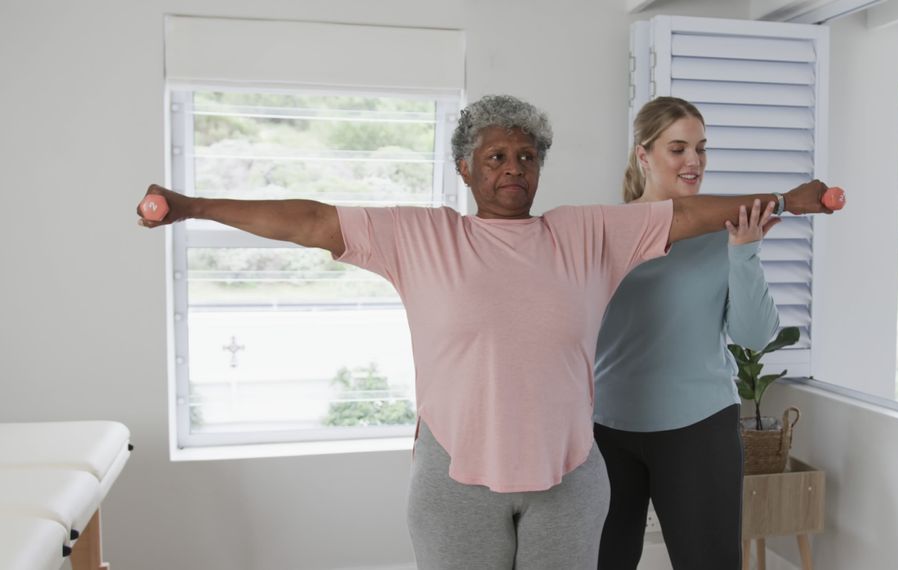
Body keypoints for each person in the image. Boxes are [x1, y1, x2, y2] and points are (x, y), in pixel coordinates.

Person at [138, 94, 831, 569]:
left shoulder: (585, 232)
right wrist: (194, 206)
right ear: (465, 168)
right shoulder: (419, 235)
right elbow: (315, 220)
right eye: (495, 157)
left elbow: (686, 218)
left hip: (571, 473)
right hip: (456, 474)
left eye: (526, 158)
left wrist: (786, 201)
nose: (512, 170)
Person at [593, 96, 818, 569]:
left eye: (701, 148)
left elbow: (754, 336)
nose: (694, 161)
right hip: (607, 429)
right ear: (643, 155)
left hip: (699, 428)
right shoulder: (602, 230)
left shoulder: (724, 230)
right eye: (678, 148)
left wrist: (744, 250)